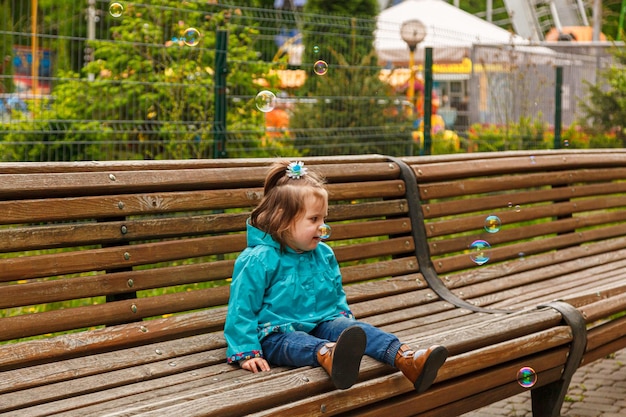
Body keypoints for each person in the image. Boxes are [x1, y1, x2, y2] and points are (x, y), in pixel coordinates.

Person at [224, 160, 448, 391]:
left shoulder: (323, 254)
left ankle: (407, 359)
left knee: (356, 330)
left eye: (324, 218)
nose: (322, 227)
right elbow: (241, 309)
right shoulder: (258, 259)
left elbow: (335, 293)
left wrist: (344, 323)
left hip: (321, 321)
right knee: (295, 342)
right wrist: (246, 352)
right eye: (313, 219)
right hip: (275, 333)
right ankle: (330, 355)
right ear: (282, 218)